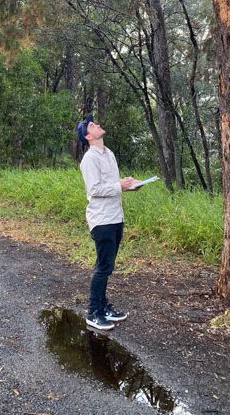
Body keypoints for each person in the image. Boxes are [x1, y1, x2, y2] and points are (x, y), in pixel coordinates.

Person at [77, 115, 140, 331]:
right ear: (88, 135)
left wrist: (129, 186)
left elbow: (113, 185)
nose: (97, 124)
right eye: (92, 125)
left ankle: (104, 307)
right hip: (102, 220)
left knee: (108, 266)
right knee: (103, 267)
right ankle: (94, 313)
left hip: (116, 217)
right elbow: (94, 190)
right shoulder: (89, 159)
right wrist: (119, 186)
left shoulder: (109, 154)